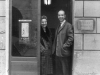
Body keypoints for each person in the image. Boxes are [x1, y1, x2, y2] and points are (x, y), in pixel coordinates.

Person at [52, 10, 74, 75]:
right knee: (59, 71)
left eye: (62, 15)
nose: (60, 16)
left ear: (65, 16)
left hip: (64, 53)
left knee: (65, 71)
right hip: (58, 53)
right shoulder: (59, 25)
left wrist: (64, 46)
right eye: (59, 15)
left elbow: (71, 38)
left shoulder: (68, 25)